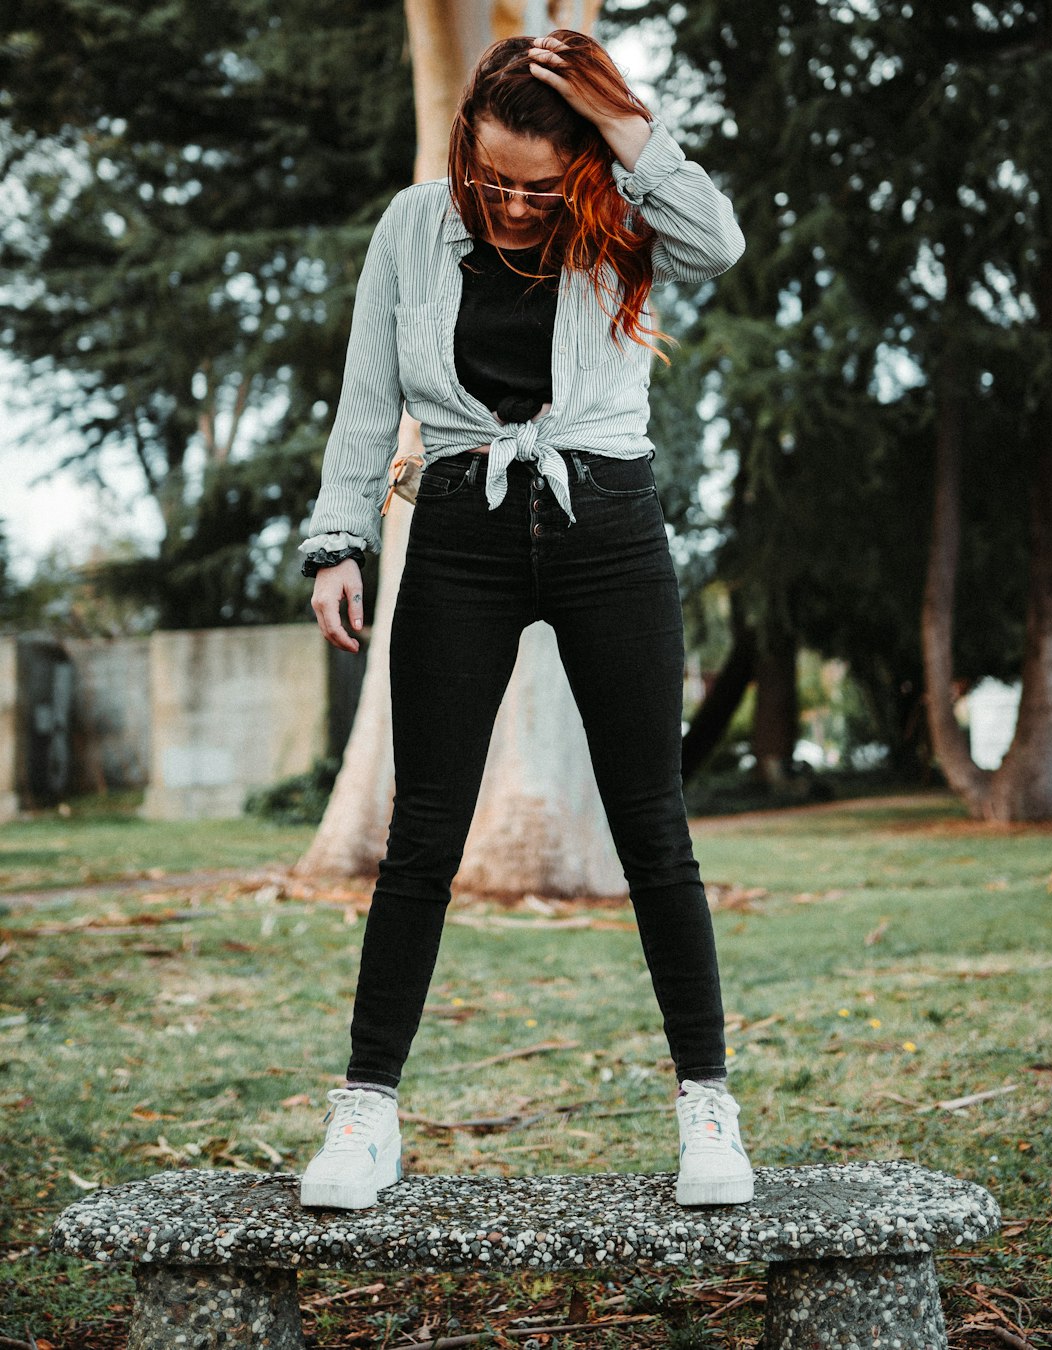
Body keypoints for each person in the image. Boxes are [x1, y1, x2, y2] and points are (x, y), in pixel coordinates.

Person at [297, 29, 752, 1211]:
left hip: (606, 524)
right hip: (457, 524)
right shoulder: (412, 227)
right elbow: (365, 399)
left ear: (585, 165)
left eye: (535, 185)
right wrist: (339, 542)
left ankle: (707, 1104)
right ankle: (365, 1113)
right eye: (488, 174)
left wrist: (630, 130)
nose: (507, 202)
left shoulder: (626, 219)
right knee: (424, 837)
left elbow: (721, 242)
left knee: (654, 826)